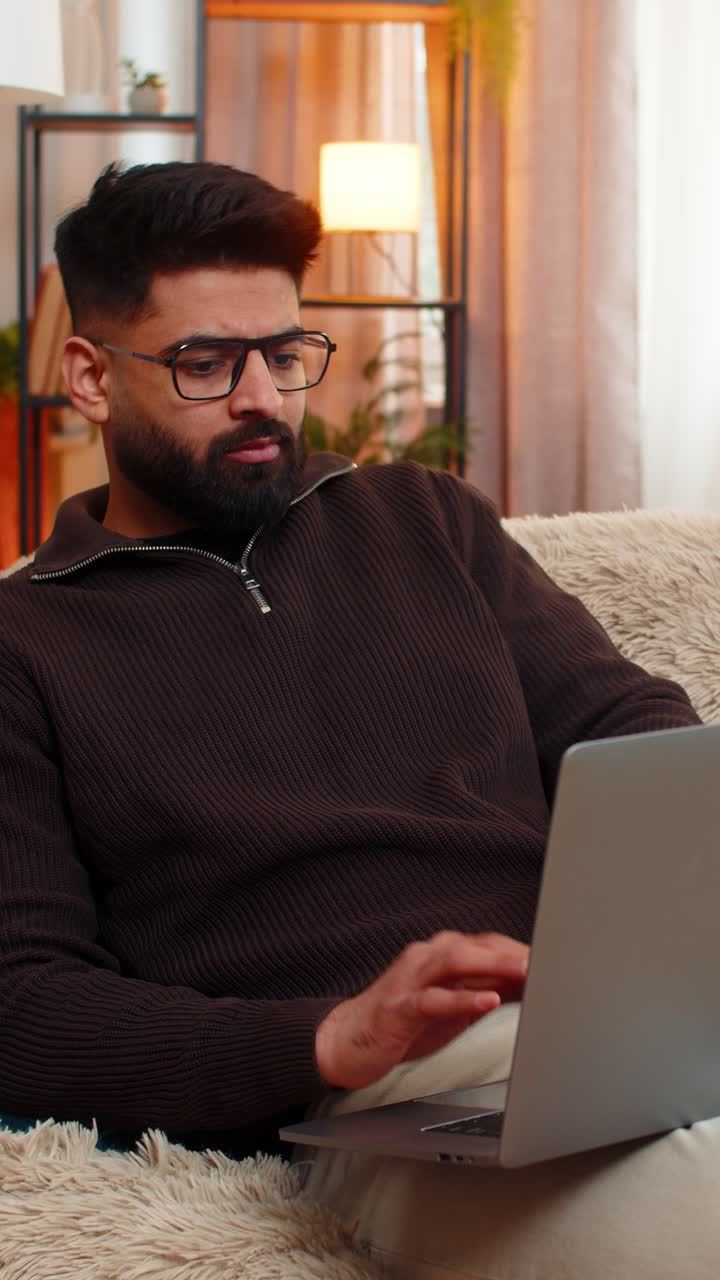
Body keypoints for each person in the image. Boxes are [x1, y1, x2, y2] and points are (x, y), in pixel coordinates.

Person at [0, 161, 709, 1278]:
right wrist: (326, 1036)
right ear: (90, 377)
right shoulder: (25, 645)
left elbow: (633, 724)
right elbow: (24, 1001)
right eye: (204, 362)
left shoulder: (424, 517)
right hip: (396, 1087)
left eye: (284, 353)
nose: (263, 398)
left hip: (610, 1018)